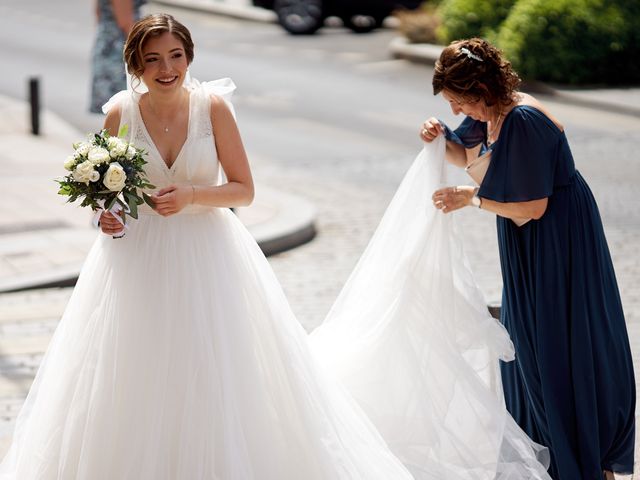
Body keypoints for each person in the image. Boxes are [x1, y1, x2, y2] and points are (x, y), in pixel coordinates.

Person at [0, 15, 552, 478]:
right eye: (153, 60)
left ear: (189, 56)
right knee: (128, 367)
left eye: (175, 56)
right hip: (135, 260)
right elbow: (110, 194)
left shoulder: (211, 107)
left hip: (205, 255)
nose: (166, 70)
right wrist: (110, 218)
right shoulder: (119, 111)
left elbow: (244, 188)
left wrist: (192, 194)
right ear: (135, 65)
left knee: (212, 366)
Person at [419, 37, 635, 480]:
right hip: (529, 243)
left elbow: (532, 205)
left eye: (459, 101)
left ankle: (582, 460)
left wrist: (471, 200)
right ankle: (552, 455)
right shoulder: (493, 115)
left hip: (557, 242)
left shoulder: (524, 120)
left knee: (558, 345)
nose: (458, 111)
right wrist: (438, 135)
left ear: (481, 88)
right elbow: (467, 156)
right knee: (527, 341)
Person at [89, 0, 145, 113]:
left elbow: (98, 12)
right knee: (124, 106)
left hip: (107, 43)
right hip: (122, 47)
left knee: (117, 108)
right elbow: (125, 22)